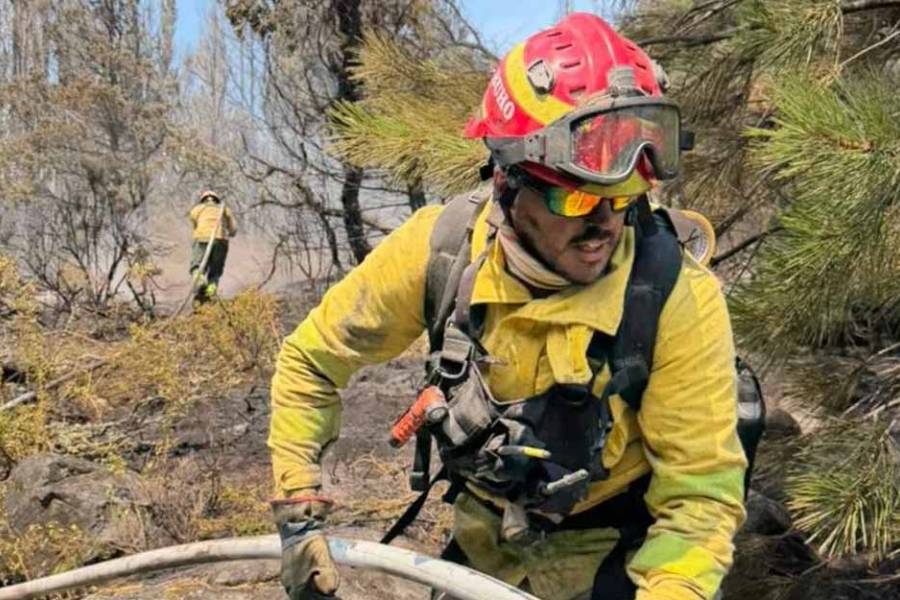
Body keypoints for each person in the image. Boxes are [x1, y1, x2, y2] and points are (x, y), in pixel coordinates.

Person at [268, 13, 747, 600]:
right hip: (482, 552)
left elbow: (699, 498)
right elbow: (310, 363)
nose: (606, 224)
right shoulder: (440, 251)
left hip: (626, 554)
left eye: (625, 196)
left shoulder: (673, 294)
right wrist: (298, 513)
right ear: (508, 183)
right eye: (576, 196)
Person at [188, 189, 237, 300]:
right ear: (216, 200)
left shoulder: (197, 209)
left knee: (196, 266)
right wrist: (229, 232)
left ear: (203, 200)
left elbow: (193, 222)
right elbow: (233, 230)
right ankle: (210, 291)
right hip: (221, 240)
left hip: (201, 239)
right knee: (215, 271)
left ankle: (200, 281)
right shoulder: (224, 209)